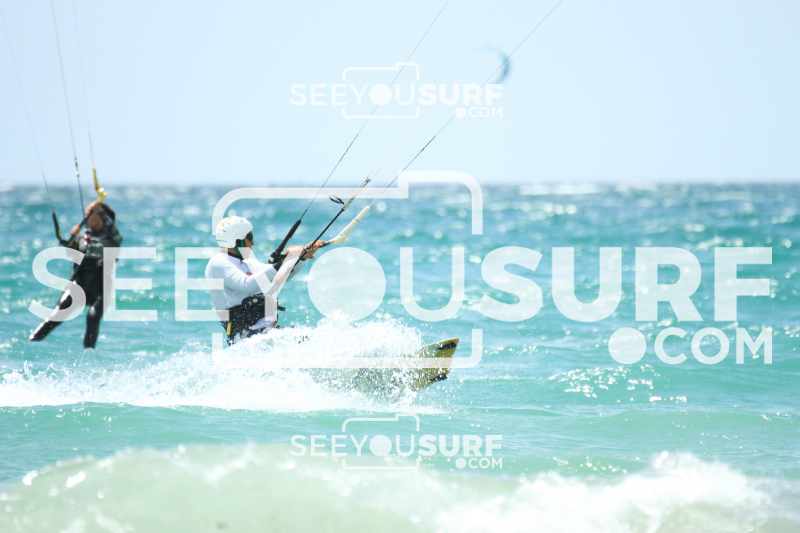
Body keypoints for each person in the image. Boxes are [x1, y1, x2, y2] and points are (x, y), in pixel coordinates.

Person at [205, 216, 323, 345]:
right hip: (246, 339)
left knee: (319, 336)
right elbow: (248, 285)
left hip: (266, 334)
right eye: (250, 238)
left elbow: (282, 275)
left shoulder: (248, 264)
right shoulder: (218, 263)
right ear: (236, 239)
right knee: (316, 339)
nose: (252, 243)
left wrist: (300, 258)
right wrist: (285, 261)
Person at [30, 199, 123, 349]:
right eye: (85, 214)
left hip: (101, 287)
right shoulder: (82, 237)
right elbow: (70, 252)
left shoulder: (112, 237)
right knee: (55, 316)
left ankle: (88, 356)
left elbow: (114, 231)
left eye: (89, 214)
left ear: (100, 216)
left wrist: (99, 211)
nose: (85, 218)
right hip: (79, 283)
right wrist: (72, 238)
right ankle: (32, 342)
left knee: (93, 318)